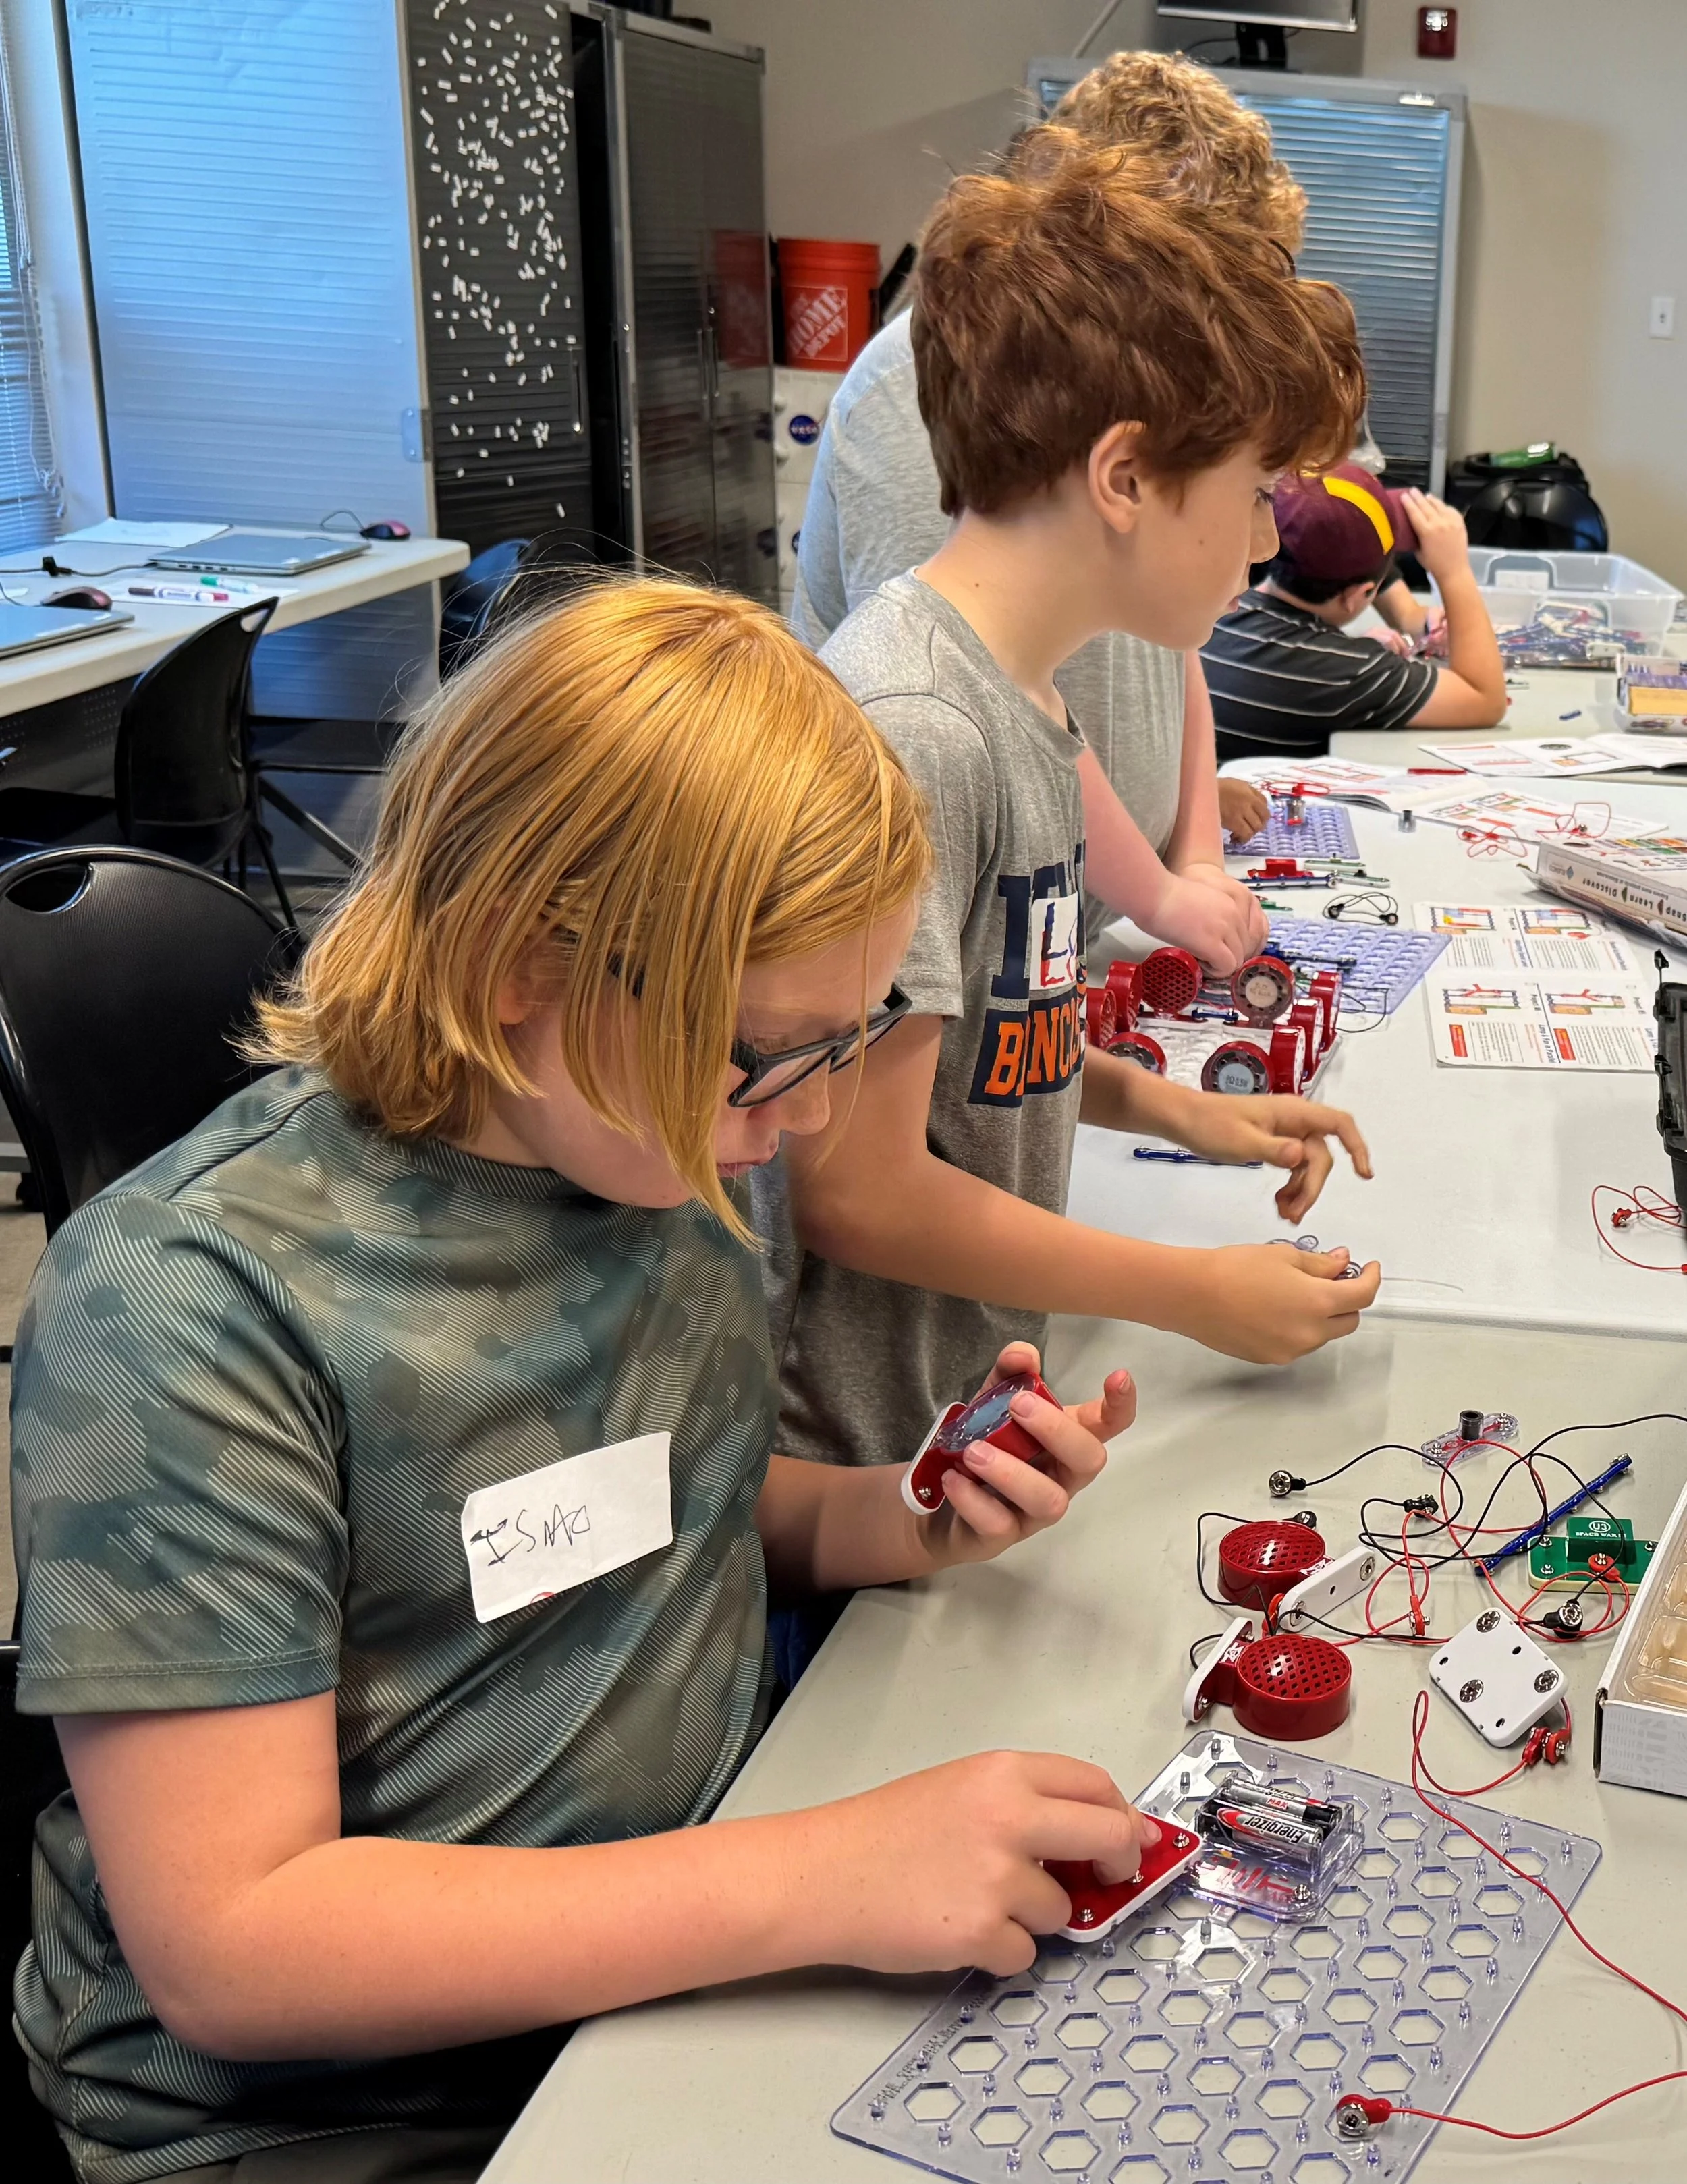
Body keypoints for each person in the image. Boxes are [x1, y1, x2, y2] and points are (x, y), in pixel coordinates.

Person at [9, 581, 1158, 2184]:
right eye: (765, 1048)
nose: (812, 1117)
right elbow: (235, 1941)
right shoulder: (193, 1303)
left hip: (662, 1954)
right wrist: (823, 1874)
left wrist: (896, 1519)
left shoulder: (669, 1145)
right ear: (512, 970)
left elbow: (661, 1504)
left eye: (849, 1038)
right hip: (342, 2109)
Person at [767, 137, 1380, 1479]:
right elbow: (853, 1185)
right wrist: (1187, 1288)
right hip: (859, 1449)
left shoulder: (1020, 696)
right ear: (1121, 476)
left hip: (949, 1402)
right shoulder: (918, 729)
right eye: (1248, 494)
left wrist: (1181, 1112)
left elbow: (982, 1049)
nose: (1267, 542)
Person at [790, 51, 1310, 965]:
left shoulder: (1138, 397)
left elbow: (1173, 644)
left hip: (1085, 925)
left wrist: (1193, 849)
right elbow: (990, 692)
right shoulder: (928, 387)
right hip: (981, 938)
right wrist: (1158, 890)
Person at [1201, 462, 1508, 765]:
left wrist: (1346, 647)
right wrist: (1454, 572)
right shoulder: (1342, 674)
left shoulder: (1211, 613)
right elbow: (1484, 698)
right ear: (1358, 596)